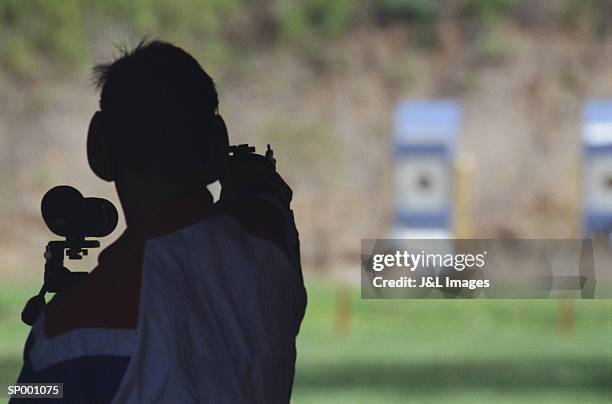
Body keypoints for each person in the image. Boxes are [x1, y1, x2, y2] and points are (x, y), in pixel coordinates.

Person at [14, 40, 307, 403]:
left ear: (98, 148)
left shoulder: (71, 328)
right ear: (217, 145)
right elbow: (263, 194)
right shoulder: (270, 246)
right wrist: (245, 168)